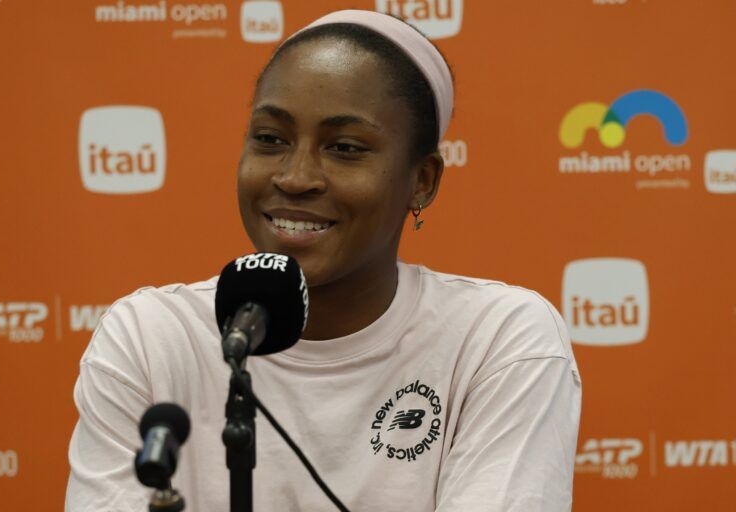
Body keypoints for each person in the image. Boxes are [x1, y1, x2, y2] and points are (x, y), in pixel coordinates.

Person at [65, 9, 581, 512]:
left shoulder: (498, 339)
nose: (294, 177)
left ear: (421, 181)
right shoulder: (151, 338)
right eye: (270, 139)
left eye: (346, 147)